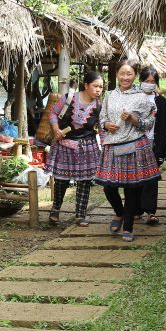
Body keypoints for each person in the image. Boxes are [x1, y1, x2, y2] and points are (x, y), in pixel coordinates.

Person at [96, 62, 161, 242]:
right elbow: (102, 117)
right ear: (117, 74)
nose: (125, 77)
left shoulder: (142, 97)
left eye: (130, 74)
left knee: (132, 189)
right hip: (112, 145)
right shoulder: (109, 95)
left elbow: (148, 124)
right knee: (109, 187)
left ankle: (128, 227)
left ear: (135, 75)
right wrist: (106, 125)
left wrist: (133, 119)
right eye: (122, 73)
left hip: (135, 145)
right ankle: (120, 212)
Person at [46, 71, 105, 226]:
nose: (98, 90)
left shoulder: (100, 106)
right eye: (95, 86)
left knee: (84, 182)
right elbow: (53, 113)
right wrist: (56, 129)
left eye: (101, 87)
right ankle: (55, 210)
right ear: (86, 85)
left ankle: (80, 215)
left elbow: (102, 129)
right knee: (61, 180)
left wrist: (105, 147)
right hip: (65, 145)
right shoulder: (69, 98)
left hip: (87, 147)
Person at [137, 67, 166, 225]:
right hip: (135, 142)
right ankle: (135, 210)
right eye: (146, 81)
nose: (149, 84)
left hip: (152, 144)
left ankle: (150, 211)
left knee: (151, 178)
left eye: (152, 81)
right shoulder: (133, 97)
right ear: (140, 81)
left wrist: (161, 150)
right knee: (134, 178)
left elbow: (162, 127)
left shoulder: (160, 101)